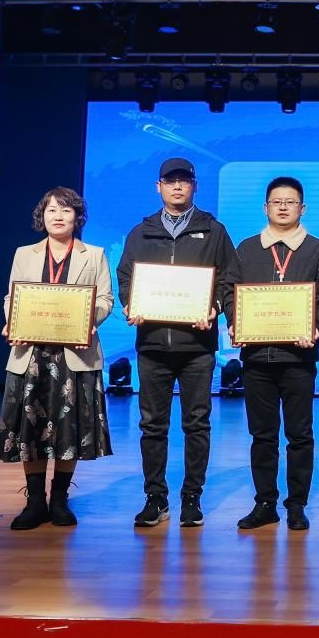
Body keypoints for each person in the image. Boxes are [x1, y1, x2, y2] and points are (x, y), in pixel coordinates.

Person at [116, 157, 236, 529]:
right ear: (159, 187)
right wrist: (131, 304)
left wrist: (215, 307)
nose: (178, 186)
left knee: (196, 424)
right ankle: (155, 498)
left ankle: (192, 498)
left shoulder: (213, 231)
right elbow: (126, 276)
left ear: (194, 186)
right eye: (170, 181)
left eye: (184, 180)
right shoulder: (142, 232)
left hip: (197, 346)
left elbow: (229, 279)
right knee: (152, 425)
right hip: (152, 344)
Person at [0, 187, 114, 530]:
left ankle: (59, 499)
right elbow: (12, 296)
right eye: (51, 210)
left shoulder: (95, 254)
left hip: (75, 354)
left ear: (78, 217)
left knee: (69, 429)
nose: (58, 216)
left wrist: (87, 319)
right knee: (29, 428)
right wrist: (12, 321)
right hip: (32, 353)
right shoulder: (24, 253)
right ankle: (34, 501)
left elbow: (105, 299)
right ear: (41, 217)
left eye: (66, 210)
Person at [223, 177, 319, 531]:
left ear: (302, 208)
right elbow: (229, 291)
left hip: (299, 359)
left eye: (291, 202)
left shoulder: (317, 250)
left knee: (299, 435)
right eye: (277, 202)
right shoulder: (247, 249)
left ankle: (297, 505)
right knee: (262, 435)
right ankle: (265, 503)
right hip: (257, 358)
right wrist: (235, 321)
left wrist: (315, 326)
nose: (284, 207)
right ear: (266, 208)